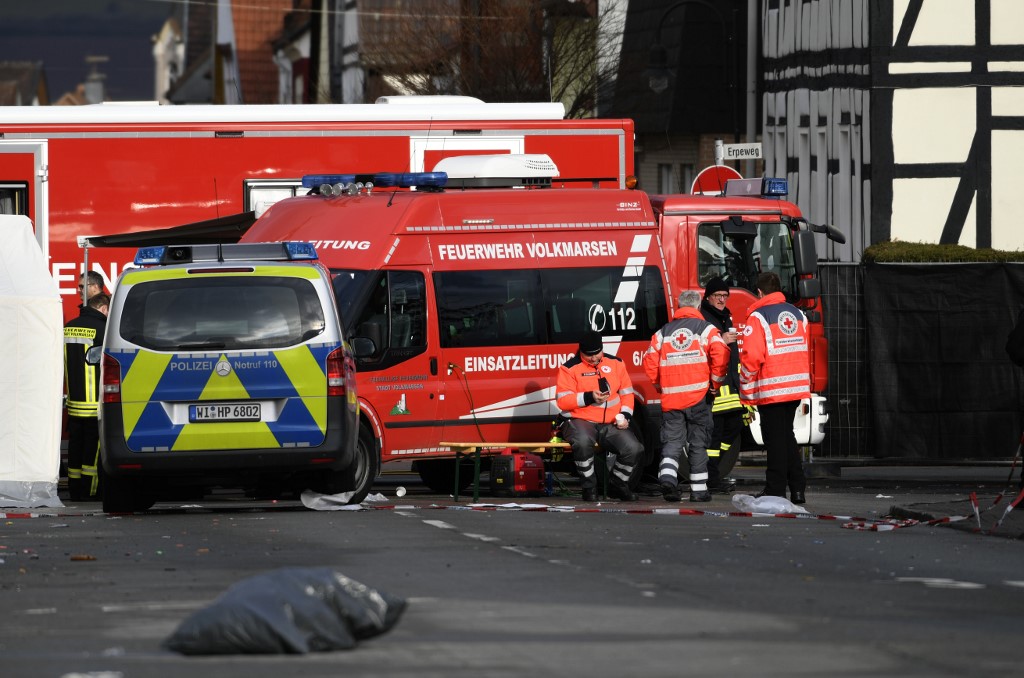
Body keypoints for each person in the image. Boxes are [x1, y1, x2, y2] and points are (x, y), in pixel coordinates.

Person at [644, 290, 729, 502]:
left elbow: (649, 360)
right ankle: (699, 491)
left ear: (679, 306)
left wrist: (659, 384)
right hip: (699, 397)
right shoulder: (706, 329)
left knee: (672, 442)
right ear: (699, 307)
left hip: (672, 399)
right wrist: (715, 384)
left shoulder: (663, 332)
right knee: (698, 444)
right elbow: (722, 352)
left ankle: (667, 477)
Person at [739, 271, 811, 504]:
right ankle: (797, 488)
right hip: (795, 386)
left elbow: (751, 357)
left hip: (771, 388)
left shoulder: (758, 317)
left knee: (775, 440)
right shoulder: (798, 314)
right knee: (786, 437)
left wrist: (746, 390)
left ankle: (775, 489)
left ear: (759, 292)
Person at [556, 330, 643, 502]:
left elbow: (627, 393)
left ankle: (617, 484)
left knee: (634, 448)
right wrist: (589, 397)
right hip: (580, 420)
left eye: (597, 353)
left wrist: (625, 415)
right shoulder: (569, 368)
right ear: (581, 352)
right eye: (589, 355)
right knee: (582, 442)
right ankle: (589, 487)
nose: (594, 358)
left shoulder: (616, 363)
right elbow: (563, 401)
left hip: (610, 422)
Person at [699, 277, 747, 493]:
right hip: (714, 389)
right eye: (717, 296)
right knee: (715, 435)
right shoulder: (703, 317)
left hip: (731, 388)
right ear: (708, 297)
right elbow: (699, 345)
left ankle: (713, 471)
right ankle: (710, 478)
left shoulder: (725, 316)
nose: (721, 299)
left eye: (725, 296)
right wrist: (720, 339)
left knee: (734, 428)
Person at [63, 292, 109, 501]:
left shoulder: (68, 327)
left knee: (75, 448)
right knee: (92, 450)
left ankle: (74, 490)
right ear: (104, 308)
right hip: (93, 404)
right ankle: (90, 491)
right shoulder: (103, 329)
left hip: (73, 402)